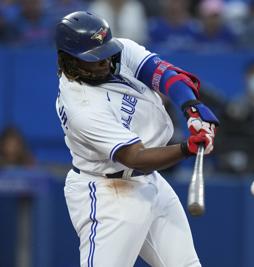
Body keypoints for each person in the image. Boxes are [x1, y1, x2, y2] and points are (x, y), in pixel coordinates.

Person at [54, 11, 218, 267]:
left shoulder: (113, 52)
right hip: (109, 193)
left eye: (105, 54)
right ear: (69, 62)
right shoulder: (82, 106)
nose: (105, 62)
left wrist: (191, 107)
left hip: (149, 181)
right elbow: (136, 157)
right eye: (95, 59)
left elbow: (163, 73)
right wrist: (187, 147)